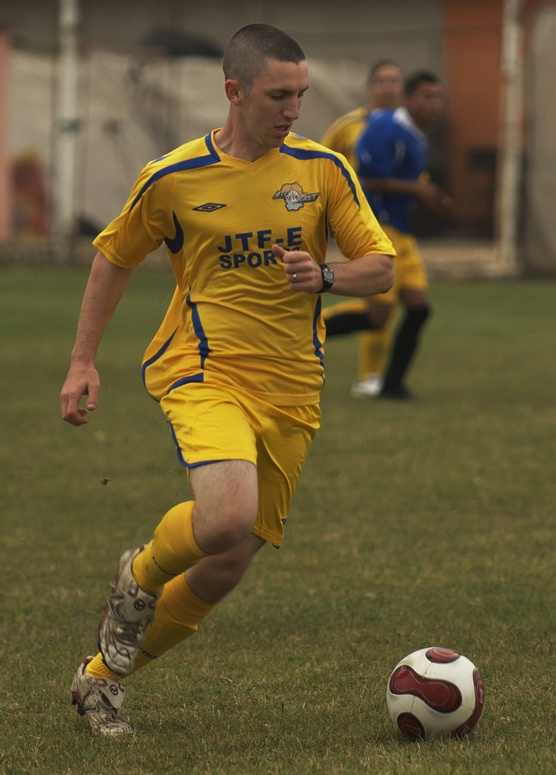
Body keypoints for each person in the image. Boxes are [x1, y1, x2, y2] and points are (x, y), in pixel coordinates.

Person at [59, 23, 395, 735]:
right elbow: (113, 257)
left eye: (301, 96)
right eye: (278, 95)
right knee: (224, 517)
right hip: (203, 371)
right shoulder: (173, 177)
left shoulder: (323, 169)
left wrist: (328, 274)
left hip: (294, 389)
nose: (292, 111)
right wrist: (82, 360)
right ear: (234, 91)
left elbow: (382, 265)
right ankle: (139, 576)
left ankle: (102, 679)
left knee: (224, 564)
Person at [322, 69, 452, 400]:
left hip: (401, 234)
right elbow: (366, 178)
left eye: (438, 97)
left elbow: (405, 180)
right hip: (380, 230)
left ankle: (391, 386)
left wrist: (427, 193)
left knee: (417, 309)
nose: (434, 104)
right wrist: (420, 191)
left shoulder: (414, 135)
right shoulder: (383, 128)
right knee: (379, 316)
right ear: (408, 99)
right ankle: (306, 328)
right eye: (427, 96)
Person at [319, 60, 405, 397]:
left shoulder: (407, 129)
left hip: (397, 227)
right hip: (358, 223)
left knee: (393, 304)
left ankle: (375, 376)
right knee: (383, 299)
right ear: (370, 88)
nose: (387, 87)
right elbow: (322, 165)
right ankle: (371, 377)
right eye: (381, 80)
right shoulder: (349, 126)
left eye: (394, 80)